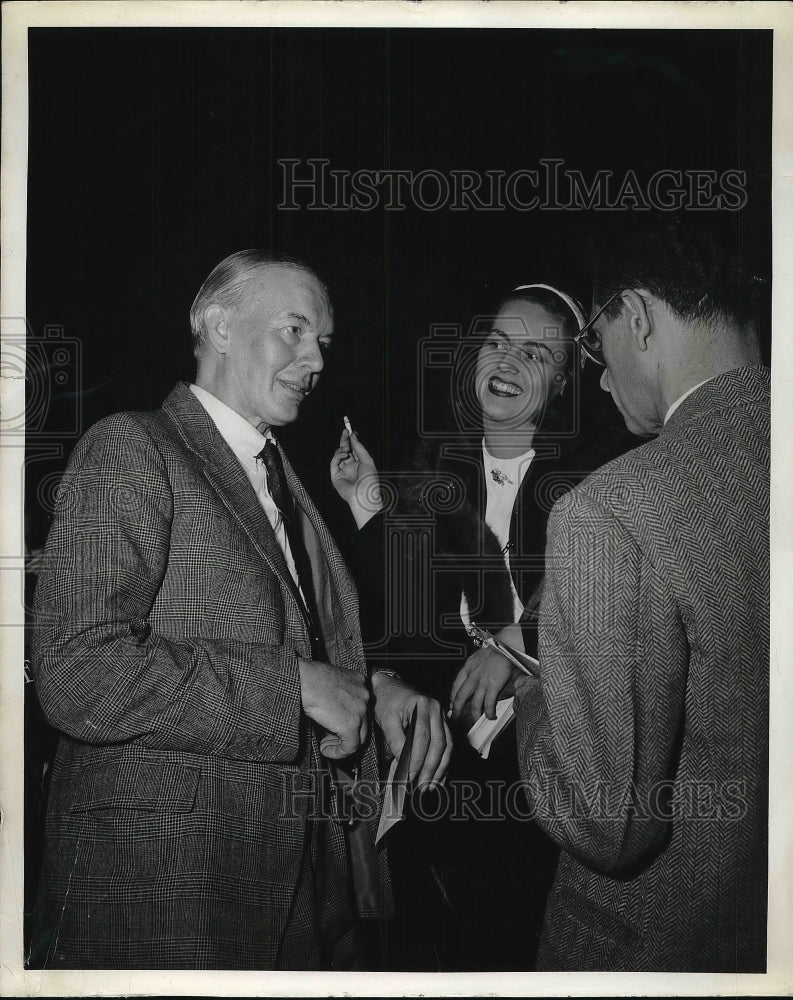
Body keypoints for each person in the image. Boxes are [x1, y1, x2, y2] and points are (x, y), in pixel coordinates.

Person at [29, 249, 450, 970]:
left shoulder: (283, 475)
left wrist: (374, 686)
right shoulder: (132, 447)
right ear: (219, 326)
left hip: (301, 894)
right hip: (168, 895)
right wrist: (292, 689)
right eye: (294, 330)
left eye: (322, 342)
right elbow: (75, 670)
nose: (314, 358)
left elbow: (304, 637)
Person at [461, 218, 769, 971]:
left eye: (587, 349)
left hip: (652, 948)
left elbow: (606, 821)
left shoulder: (607, 506)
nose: (602, 378)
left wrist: (531, 691)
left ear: (634, 317)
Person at [331, 283, 635, 969]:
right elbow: (402, 623)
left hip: (543, 782)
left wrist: (516, 644)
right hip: (441, 766)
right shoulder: (432, 466)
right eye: (497, 342)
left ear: (562, 384)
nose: (507, 361)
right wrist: (366, 504)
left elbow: (612, 603)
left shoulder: (599, 480)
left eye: (534, 354)